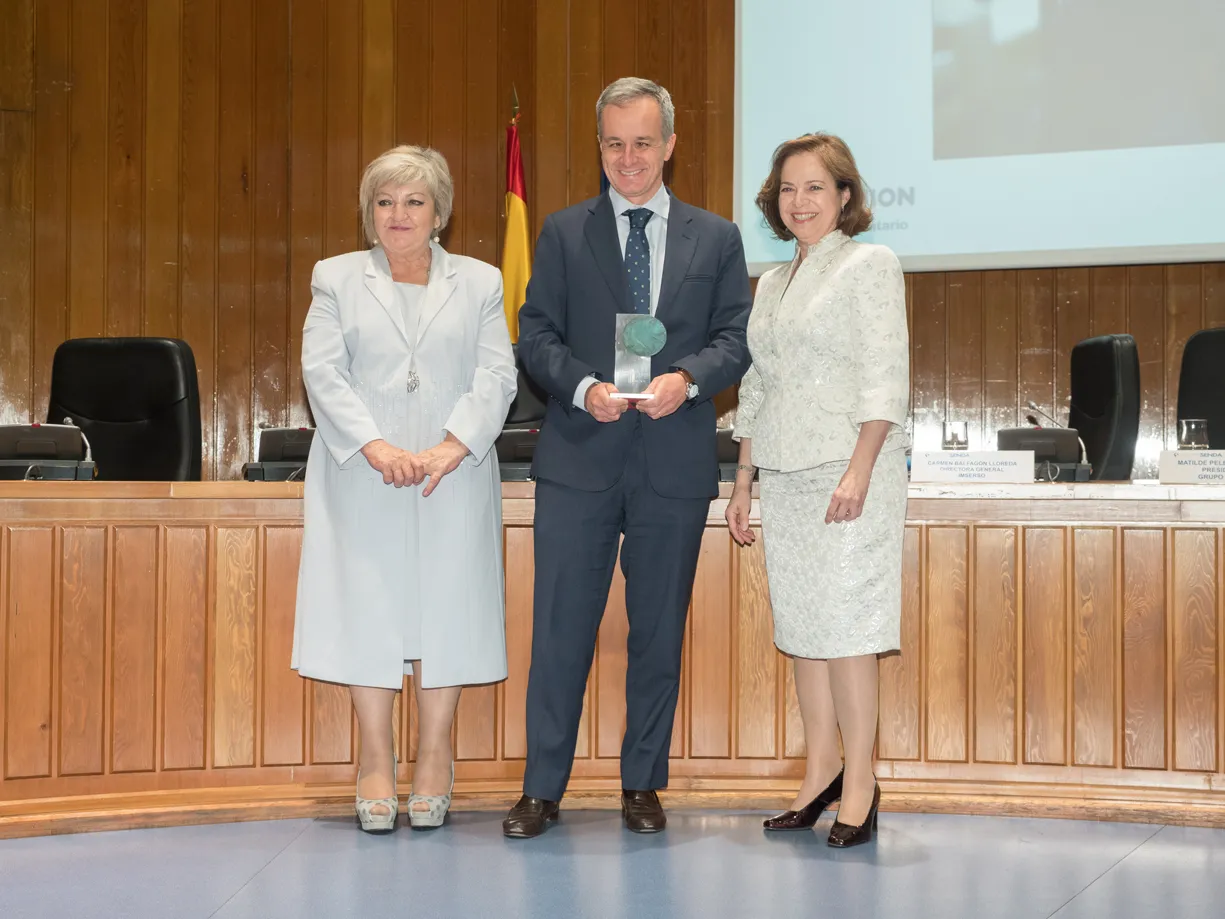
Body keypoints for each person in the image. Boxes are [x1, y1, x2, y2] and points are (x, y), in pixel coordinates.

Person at [503, 77, 752, 838]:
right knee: (560, 631)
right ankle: (541, 788)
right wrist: (582, 388)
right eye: (614, 143)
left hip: (672, 465)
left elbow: (735, 338)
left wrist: (690, 379)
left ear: (669, 145)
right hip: (579, 459)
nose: (628, 157)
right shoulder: (561, 232)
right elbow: (536, 334)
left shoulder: (717, 237)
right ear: (600, 147)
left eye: (643, 142)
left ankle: (642, 782)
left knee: (657, 633)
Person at [291, 145, 517, 833]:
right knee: (368, 604)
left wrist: (453, 444)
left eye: (414, 201)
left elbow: (496, 375)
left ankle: (436, 753)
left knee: (449, 605)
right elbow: (322, 371)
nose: (399, 214)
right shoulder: (336, 277)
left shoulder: (479, 281)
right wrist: (375, 446)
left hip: (452, 472)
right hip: (362, 471)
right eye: (385, 201)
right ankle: (374, 754)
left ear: (439, 212)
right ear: (369, 212)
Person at [725, 133, 909, 848]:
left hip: (848, 470)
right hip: (785, 473)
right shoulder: (772, 281)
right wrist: (744, 479)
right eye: (787, 189)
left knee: (848, 631)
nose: (798, 201)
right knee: (804, 633)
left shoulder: (870, 264)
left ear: (844, 196)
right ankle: (820, 772)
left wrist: (860, 467)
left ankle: (860, 783)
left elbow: (884, 373)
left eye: (814, 187)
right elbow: (758, 386)